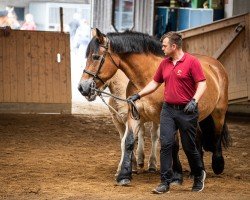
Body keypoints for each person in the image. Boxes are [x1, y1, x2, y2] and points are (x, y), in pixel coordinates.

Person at [128, 32, 207, 194]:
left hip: (187, 111)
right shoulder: (164, 64)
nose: (162, 48)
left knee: (189, 146)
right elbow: (155, 83)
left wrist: (194, 101)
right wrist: (138, 94)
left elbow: (202, 84)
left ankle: (199, 174)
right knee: (166, 145)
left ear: (174, 46)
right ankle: (165, 182)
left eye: (164, 45)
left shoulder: (192, 62)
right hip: (168, 110)